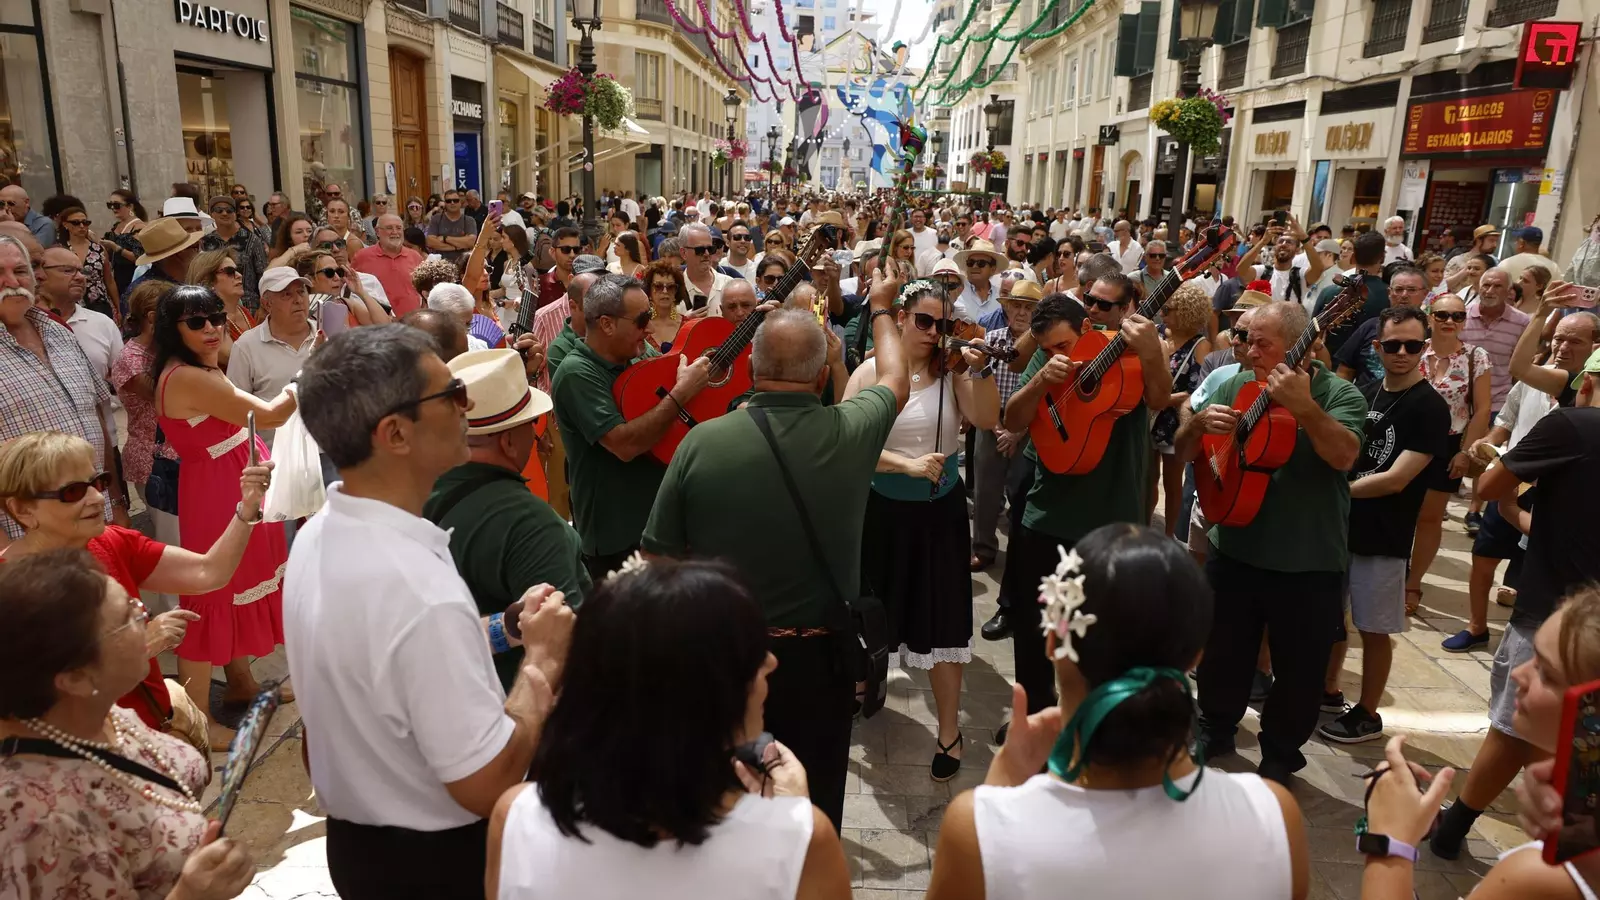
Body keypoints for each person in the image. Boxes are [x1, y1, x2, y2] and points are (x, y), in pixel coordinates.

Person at [284, 324, 574, 898]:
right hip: (438, 865)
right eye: (452, 394)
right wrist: (541, 663)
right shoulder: (418, 590)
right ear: (395, 433)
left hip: (359, 846)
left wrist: (503, 627)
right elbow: (485, 781)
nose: (466, 406)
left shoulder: (318, 535)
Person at [643, 272, 909, 829]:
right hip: (820, 663)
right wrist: (881, 307)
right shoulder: (851, 430)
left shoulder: (702, 441)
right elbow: (895, 379)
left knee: (727, 809)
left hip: (727, 657)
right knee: (810, 812)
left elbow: (657, 563)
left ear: (753, 370)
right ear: (820, 377)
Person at [926, 524, 1309, 900]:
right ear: (1195, 656)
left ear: (1053, 640)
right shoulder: (1273, 817)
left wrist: (999, 798)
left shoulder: (979, 832)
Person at [487, 557, 851, 899]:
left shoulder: (515, 820)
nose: (770, 663)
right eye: (751, 655)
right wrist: (791, 821)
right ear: (707, 695)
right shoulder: (802, 844)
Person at [1177, 300, 1366, 784]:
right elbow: (1183, 449)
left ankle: (1281, 752)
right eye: (1244, 338)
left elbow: (1345, 455)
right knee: (1222, 651)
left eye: (1262, 342)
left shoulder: (1339, 393)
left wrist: (1304, 407)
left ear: (1302, 345)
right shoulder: (1236, 383)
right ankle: (1215, 727)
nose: (1248, 350)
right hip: (1235, 544)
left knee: (1300, 668)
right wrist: (1197, 427)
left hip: (1307, 559)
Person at [0, 551, 255, 899]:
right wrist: (190, 895)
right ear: (75, 677)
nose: (147, 618)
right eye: (128, 618)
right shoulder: (40, 823)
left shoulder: (98, 712)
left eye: (137, 605)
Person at [1430, 348, 1600, 861]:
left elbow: (1488, 485)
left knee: (1518, 723)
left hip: (1556, 612)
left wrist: (1509, 493)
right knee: (1578, 736)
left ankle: (1458, 830)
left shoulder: (1572, 425)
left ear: (1584, 386)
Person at [0, 428, 273, 743]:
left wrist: (247, 507)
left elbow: (208, 573)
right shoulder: (12, 591)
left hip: (151, 732)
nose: (95, 497)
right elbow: (32, 697)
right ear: (22, 509)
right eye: (73, 491)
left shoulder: (110, 541)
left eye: (98, 482)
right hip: (90, 755)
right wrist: (140, 646)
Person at [999, 273, 1172, 733]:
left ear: (1087, 333)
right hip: (1047, 513)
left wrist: (1152, 351)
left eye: (1065, 346)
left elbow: (1159, 399)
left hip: (1111, 520)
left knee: (1103, 633)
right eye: (1049, 348)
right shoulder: (1046, 352)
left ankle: (1094, 722)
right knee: (1037, 627)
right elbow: (1013, 418)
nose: (1059, 355)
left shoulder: (1128, 350)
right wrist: (1040, 381)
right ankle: (1034, 717)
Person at [844, 279, 1000, 781]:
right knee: (870, 613)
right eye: (925, 321)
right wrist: (905, 466)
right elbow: (846, 443)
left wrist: (979, 370)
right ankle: (864, 685)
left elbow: (987, 418)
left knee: (941, 622)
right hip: (881, 510)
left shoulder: (952, 372)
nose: (935, 333)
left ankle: (949, 730)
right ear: (903, 317)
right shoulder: (871, 371)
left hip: (939, 514)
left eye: (944, 324)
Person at [153, 283, 295, 738]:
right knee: (209, 595)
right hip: (219, 492)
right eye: (197, 322)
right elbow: (270, 415)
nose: (212, 328)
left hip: (230, 483)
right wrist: (308, 375)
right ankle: (194, 722)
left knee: (233, 588)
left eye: (215, 317)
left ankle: (240, 683)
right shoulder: (188, 376)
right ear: (172, 330)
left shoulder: (196, 365)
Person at [1316, 307, 1451, 744]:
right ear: (1377, 347)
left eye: (1413, 345)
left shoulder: (1430, 407)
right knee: (1333, 619)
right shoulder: (1366, 390)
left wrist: (1336, 491)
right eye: (1393, 344)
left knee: (1375, 629)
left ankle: (1369, 712)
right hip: (1343, 528)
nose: (1402, 353)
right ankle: (1329, 689)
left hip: (1386, 536)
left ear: (1424, 348)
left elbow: (1397, 479)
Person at [425, 348, 587, 693]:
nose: (536, 433)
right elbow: (565, 650)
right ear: (509, 441)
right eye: (531, 424)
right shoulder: (531, 524)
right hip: (511, 711)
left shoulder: (415, 484)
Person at [1449, 311, 1600, 652]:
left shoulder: (1568, 413)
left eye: (1574, 340)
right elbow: (1506, 420)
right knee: (1486, 555)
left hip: (1534, 491)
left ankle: (1529, 633)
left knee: (1536, 563)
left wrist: (1505, 501)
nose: (1562, 346)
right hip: (1514, 477)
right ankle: (1477, 627)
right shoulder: (1534, 381)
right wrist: (1487, 442)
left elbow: (1487, 489)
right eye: (1558, 337)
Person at [554, 274, 711, 580]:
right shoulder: (576, 372)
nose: (650, 328)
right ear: (607, 324)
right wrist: (681, 394)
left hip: (657, 529)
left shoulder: (639, 355)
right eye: (641, 320)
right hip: (616, 540)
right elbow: (624, 445)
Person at [0, 235, 128, 541]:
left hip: (99, 520)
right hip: (28, 540)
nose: (11, 281)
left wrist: (116, 500)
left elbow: (97, 413)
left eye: (20, 271)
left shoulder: (57, 331)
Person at [1402, 293, 1491, 615]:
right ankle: (1391, 572)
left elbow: (1481, 410)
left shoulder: (1475, 357)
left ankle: (1413, 582)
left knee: (1429, 518)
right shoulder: (1413, 349)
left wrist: (1466, 451)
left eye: (1457, 316)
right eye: (1442, 315)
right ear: (1430, 317)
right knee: (1398, 510)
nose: (1450, 321)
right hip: (1407, 440)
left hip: (1448, 443)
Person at [971, 280, 1039, 575]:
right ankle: (983, 548)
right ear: (1006, 308)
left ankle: (1021, 553)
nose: (1022, 313)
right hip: (991, 421)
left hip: (1028, 427)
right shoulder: (992, 339)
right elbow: (980, 383)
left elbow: (1042, 395)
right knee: (985, 490)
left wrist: (1017, 432)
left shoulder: (1043, 346)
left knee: (1023, 492)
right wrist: (998, 428)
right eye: (1017, 306)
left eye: (1029, 307)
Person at [111, 283, 180, 550]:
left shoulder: (162, 351)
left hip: (177, 459)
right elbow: (166, 394)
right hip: (155, 463)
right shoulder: (131, 358)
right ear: (153, 317)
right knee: (174, 545)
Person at [226, 267, 319, 446]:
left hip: (330, 451)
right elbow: (236, 411)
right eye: (286, 295)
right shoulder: (246, 347)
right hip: (274, 456)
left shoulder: (329, 334)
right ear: (267, 304)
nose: (298, 300)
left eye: (301, 292)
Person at [1149, 282, 1213, 538]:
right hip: (1150, 416)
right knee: (1147, 478)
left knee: (1172, 483)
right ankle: (1144, 528)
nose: (1162, 314)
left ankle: (1168, 535)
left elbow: (1198, 390)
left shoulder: (1201, 346)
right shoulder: (1156, 334)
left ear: (1186, 312)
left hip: (1174, 421)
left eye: (1168, 309)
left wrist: (1164, 399)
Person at [37, 246, 122, 387]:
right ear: (40, 274)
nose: (80, 277)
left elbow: (123, 379)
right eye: (68, 270)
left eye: (81, 271)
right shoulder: (22, 325)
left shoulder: (103, 323)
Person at [1334, 265, 1427, 387]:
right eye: (1398, 289)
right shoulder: (1370, 326)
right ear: (1389, 293)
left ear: (1425, 294)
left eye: (1412, 290)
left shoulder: (1433, 331)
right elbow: (1345, 371)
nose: (1404, 295)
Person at [188, 247, 255, 371]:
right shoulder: (209, 322)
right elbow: (236, 360)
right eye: (230, 272)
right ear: (207, 280)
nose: (239, 275)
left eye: (237, 270)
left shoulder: (243, 311)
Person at [199, 195, 268, 312]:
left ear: (235, 214)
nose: (224, 213)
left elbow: (262, 274)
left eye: (229, 210)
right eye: (219, 210)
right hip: (215, 307)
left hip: (250, 306)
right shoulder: (205, 242)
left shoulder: (252, 239)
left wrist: (263, 307)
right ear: (212, 214)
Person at [53, 206, 120, 322]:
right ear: (65, 225)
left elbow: (109, 280)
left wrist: (118, 308)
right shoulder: (60, 250)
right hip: (71, 304)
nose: (82, 226)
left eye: (85, 222)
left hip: (99, 304)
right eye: (76, 223)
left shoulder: (99, 249)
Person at [681, 223, 734, 315]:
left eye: (710, 249)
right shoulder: (670, 289)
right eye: (700, 250)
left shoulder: (730, 285)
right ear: (684, 253)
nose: (706, 254)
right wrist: (686, 323)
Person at [103, 189, 148, 296]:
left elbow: (140, 258)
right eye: (110, 205)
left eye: (117, 205)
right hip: (117, 278)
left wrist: (117, 248)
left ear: (130, 207)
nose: (113, 208)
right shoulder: (116, 226)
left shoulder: (138, 227)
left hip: (132, 277)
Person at [953, 239, 1005, 323]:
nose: (974, 266)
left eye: (981, 263)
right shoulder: (955, 291)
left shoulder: (1001, 296)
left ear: (992, 269)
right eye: (971, 262)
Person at [643, 259, 687, 351]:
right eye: (658, 286)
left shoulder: (687, 326)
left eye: (671, 287)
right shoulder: (640, 326)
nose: (665, 291)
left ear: (676, 291)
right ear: (649, 290)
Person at [426, 189, 477, 266]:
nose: (452, 203)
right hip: (441, 265)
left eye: (455, 200)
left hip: (463, 266)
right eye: (448, 201)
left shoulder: (469, 220)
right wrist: (457, 247)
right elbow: (430, 242)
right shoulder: (436, 219)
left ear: (460, 202)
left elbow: (470, 242)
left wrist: (444, 238)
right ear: (445, 203)